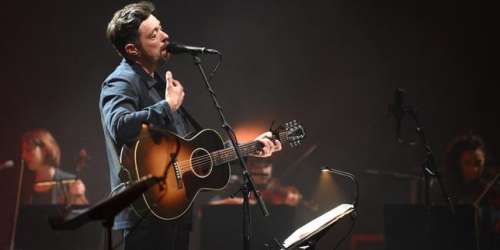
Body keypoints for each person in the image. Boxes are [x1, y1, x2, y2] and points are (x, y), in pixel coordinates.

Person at [99, 2, 282, 250]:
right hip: (143, 216)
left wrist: (250, 148)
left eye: (161, 28)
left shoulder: (159, 84)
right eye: (154, 34)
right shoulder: (121, 81)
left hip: (175, 212)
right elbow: (118, 125)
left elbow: (191, 154)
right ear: (132, 49)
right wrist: (166, 106)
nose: (165, 37)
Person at [20, 128, 88, 205]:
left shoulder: (70, 181)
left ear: (44, 150)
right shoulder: (24, 184)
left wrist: (77, 198)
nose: (23, 156)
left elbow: (81, 213)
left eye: (28, 150)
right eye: (23, 151)